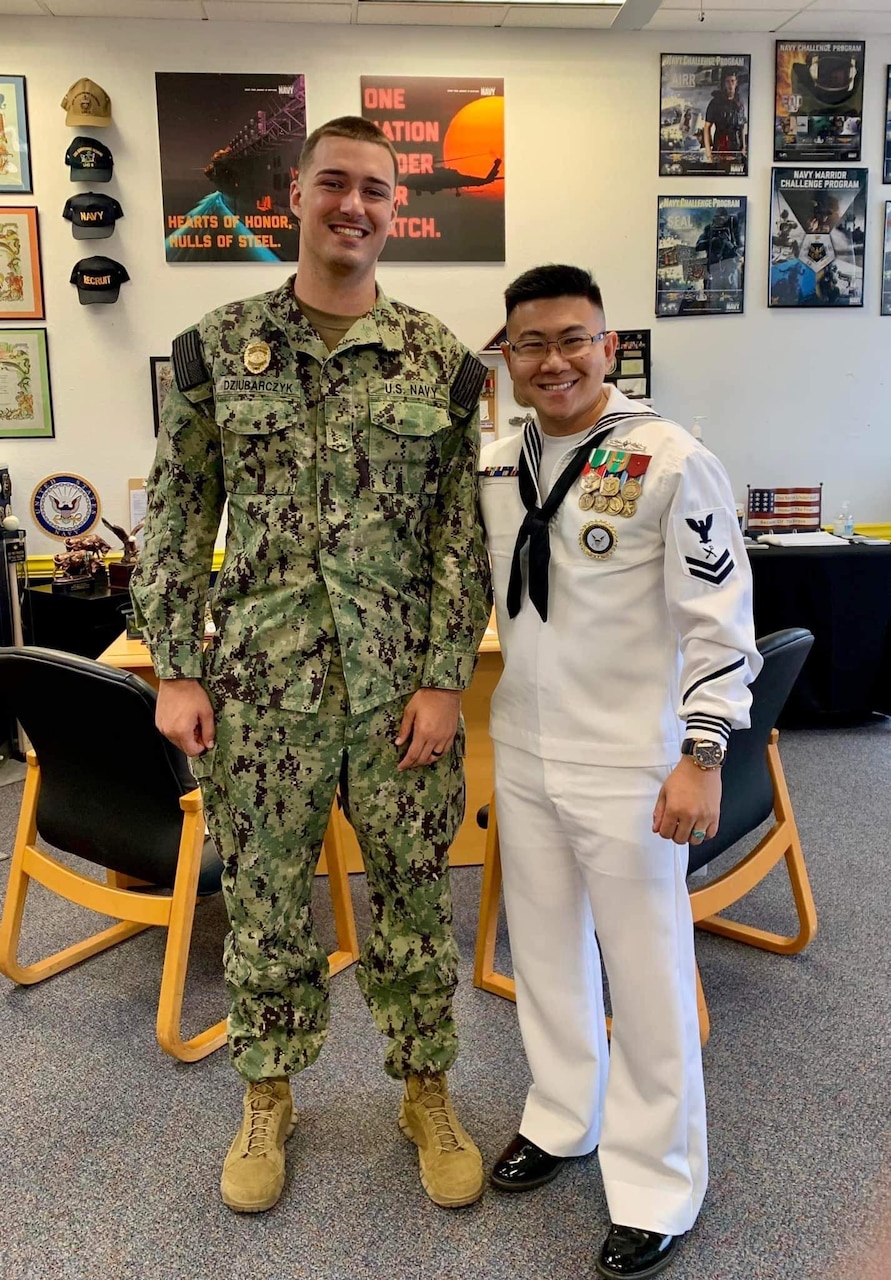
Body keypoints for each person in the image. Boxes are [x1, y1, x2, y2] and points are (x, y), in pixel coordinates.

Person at [130, 116, 491, 1215]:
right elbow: (179, 516)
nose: (354, 206)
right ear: (298, 195)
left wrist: (442, 677)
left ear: (396, 210)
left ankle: (426, 1087)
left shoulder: (442, 358)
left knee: (416, 899)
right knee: (270, 900)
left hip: (399, 698)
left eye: (375, 191)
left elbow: (455, 535)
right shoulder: (218, 346)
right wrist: (175, 668)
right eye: (334, 183)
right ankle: (268, 1092)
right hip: (261, 691)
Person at [478, 264, 761, 1279]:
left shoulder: (668, 458)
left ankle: (658, 1182)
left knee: (646, 976)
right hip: (524, 746)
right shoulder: (492, 462)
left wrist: (704, 749)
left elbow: (721, 621)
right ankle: (561, 1115)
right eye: (530, 343)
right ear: (504, 356)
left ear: (609, 346)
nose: (553, 360)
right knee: (544, 953)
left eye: (573, 339)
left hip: (634, 761)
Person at [702, 68, 746, 166]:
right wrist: (709, 153)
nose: (730, 85)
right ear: (724, 83)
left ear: (736, 82)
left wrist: (743, 147)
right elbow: (707, 127)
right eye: (727, 81)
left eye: (732, 81)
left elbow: (742, 126)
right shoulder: (715, 103)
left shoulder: (739, 103)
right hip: (720, 148)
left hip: (736, 150)